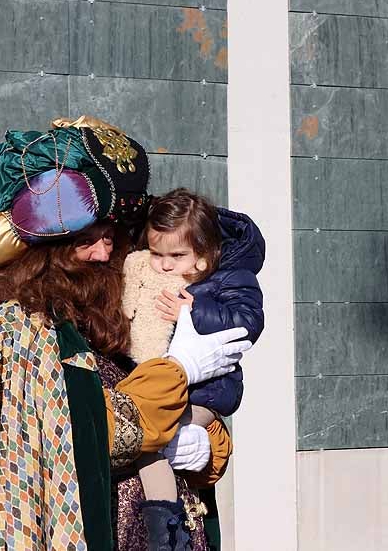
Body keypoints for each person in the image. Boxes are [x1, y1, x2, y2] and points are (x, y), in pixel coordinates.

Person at [0, 118, 252, 551]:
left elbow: (196, 408)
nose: (103, 253)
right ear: (47, 249)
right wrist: (181, 368)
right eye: (86, 240)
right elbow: (93, 432)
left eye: (109, 238)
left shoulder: (123, 306)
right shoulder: (24, 329)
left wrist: (207, 447)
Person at [120, 189, 265, 536]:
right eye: (157, 254)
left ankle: (170, 533)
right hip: (164, 387)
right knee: (151, 443)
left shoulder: (228, 277)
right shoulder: (154, 274)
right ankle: (164, 525)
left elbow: (248, 322)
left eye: (177, 255)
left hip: (204, 394)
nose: (166, 264)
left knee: (153, 440)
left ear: (205, 251)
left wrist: (194, 311)